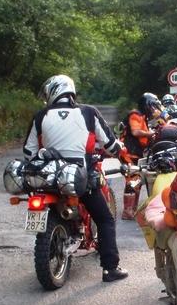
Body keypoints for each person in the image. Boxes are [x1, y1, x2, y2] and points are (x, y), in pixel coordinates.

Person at [23, 75, 128, 283]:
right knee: (105, 220)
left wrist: (46, 154)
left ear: (53, 92)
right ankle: (110, 268)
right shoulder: (89, 112)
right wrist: (119, 150)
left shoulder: (40, 116)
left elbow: (28, 152)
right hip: (80, 179)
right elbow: (109, 143)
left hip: (49, 179)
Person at [119, 92, 163, 220]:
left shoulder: (143, 117)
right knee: (133, 179)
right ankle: (128, 211)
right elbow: (136, 131)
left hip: (135, 152)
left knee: (137, 179)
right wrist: (151, 134)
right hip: (127, 151)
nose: (153, 109)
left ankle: (132, 209)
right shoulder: (135, 115)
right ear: (147, 105)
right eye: (152, 106)